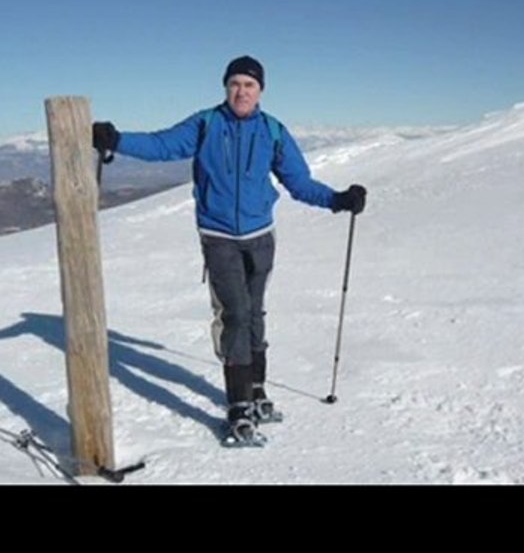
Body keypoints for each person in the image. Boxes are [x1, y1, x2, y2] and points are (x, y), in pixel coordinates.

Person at [92, 55, 366, 445]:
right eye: (235, 83)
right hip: (218, 237)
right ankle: (238, 405)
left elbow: (299, 182)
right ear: (226, 87)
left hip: (261, 236)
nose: (241, 91)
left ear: (260, 91)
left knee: (254, 313)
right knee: (235, 314)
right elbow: (162, 145)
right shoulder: (206, 124)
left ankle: (256, 389)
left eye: (249, 85)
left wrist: (337, 199)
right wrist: (117, 140)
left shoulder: (273, 131)